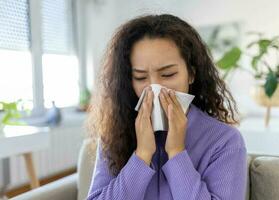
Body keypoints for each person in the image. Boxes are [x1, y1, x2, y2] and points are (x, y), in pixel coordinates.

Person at [86, 14, 247, 200]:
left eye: (168, 74)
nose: (155, 88)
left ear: (191, 74)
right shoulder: (115, 133)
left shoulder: (224, 141)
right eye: (140, 77)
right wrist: (142, 155)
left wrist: (177, 153)